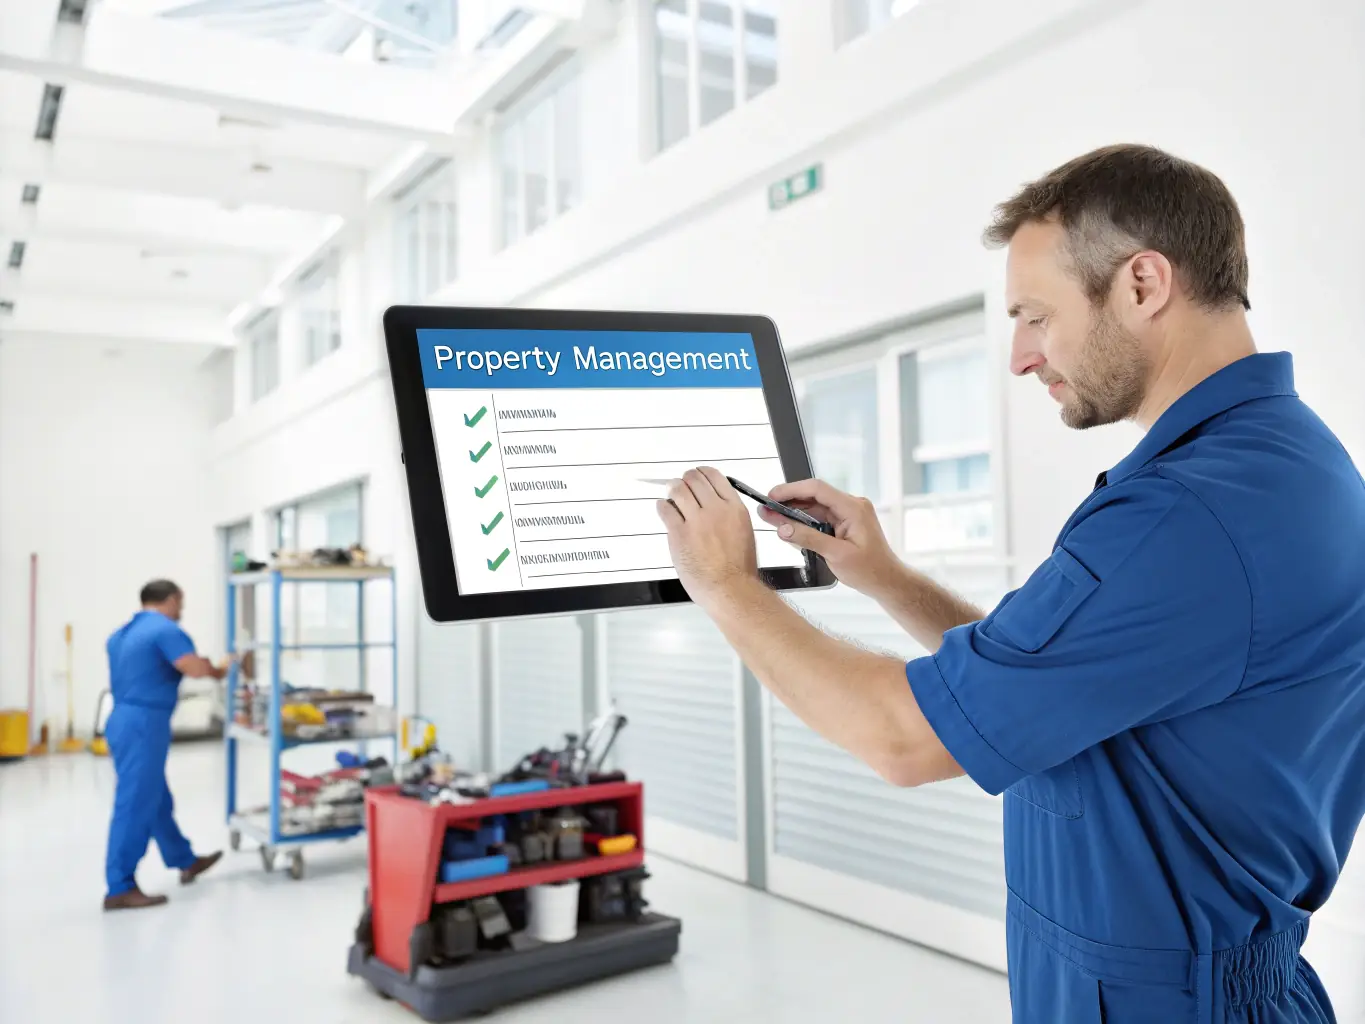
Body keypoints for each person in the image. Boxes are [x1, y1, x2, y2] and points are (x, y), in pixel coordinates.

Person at [656, 144, 1365, 1023]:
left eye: (1034, 315)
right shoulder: (1275, 463)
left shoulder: (1185, 517)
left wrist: (725, 582)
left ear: (1142, 285)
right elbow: (1048, 683)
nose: (1021, 356)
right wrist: (885, 579)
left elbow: (902, 740)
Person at [103, 579, 227, 910]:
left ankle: (184, 859)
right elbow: (192, 667)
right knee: (135, 803)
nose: (181, 611)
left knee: (155, 797)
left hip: (121, 719)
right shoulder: (165, 629)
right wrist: (221, 669)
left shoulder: (120, 634)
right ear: (172, 599)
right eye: (181, 604)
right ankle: (120, 887)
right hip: (144, 724)